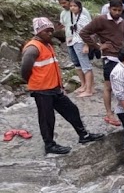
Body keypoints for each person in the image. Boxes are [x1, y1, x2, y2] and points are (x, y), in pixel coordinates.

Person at [20, 17, 104, 155]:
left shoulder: (47, 45)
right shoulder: (33, 48)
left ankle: (83, 135)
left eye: (51, 31)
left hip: (54, 88)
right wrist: (33, 83)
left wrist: (59, 86)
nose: (50, 33)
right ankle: (49, 145)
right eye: (46, 31)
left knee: (71, 110)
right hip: (42, 89)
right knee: (47, 118)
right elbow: (24, 70)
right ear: (38, 32)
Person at [80, 0, 124, 127]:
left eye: (119, 10)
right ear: (109, 9)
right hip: (110, 57)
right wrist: (97, 46)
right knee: (108, 87)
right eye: (114, 10)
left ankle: (122, 110)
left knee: (122, 85)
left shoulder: (122, 21)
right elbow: (84, 32)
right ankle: (109, 113)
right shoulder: (101, 20)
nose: (117, 12)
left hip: (122, 57)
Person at [66, 0, 94, 97]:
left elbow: (88, 31)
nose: (72, 8)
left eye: (75, 6)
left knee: (86, 66)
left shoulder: (82, 18)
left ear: (80, 7)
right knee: (80, 65)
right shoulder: (75, 17)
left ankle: (89, 90)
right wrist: (72, 38)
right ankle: (85, 86)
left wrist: (87, 44)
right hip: (76, 41)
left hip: (81, 43)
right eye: (71, 6)